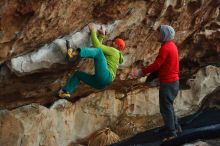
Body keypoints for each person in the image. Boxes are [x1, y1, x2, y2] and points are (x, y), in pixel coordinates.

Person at [130, 25, 182, 140]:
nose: (156, 35)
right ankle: (176, 127)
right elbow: (167, 66)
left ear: (164, 34)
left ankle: (171, 134)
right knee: (169, 106)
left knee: (165, 108)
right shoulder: (172, 46)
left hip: (168, 83)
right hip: (173, 82)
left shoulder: (165, 47)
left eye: (158, 33)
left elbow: (157, 65)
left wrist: (141, 72)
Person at [58, 23, 125, 99]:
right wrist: (101, 35)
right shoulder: (115, 55)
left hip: (106, 76)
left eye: (115, 43)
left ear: (117, 46)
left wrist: (93, 30)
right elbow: (96, 47)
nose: (113, 43)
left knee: (98, 52)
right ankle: (66, 92)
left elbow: (98, 48)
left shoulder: (114, 51)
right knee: (78, 74)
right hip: (100, 84)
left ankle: (72, 53)